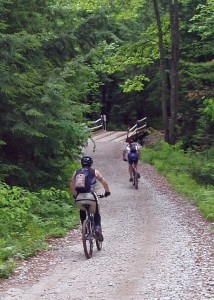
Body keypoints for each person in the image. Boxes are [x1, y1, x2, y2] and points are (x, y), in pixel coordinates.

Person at [70, 156, 110, 241]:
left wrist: (74, 195)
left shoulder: (76, 172)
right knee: (96, 213)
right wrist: (107, 192)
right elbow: (104, 183)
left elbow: (72, 185)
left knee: (82, 210)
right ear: (91, 163)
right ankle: (97, 229)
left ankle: (85, 228)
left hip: (80, 197)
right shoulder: (95, 172)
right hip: (91, 196)